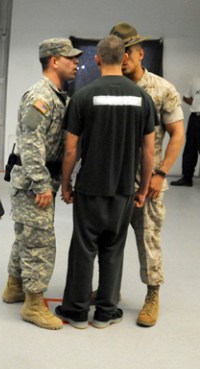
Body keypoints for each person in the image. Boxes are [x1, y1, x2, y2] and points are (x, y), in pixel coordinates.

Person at [56, 35, 156, 329]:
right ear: (125, 59)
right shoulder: (143, 98)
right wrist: (142, 189)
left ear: (97, 59)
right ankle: (105, 312)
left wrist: (66, 184)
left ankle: (75, 312)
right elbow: (148, 150)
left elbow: (71, 148)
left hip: (90, 187)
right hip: (123, 188)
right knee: (113, 248)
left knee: (84, 247)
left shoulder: (84, 97)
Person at [2, 38, 82, 330]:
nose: (76, 63)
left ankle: (14, 286)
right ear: (53, 60)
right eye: (70, 58)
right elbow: (30, 142)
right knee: (41, 242)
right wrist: (41, 185)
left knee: (26, 234)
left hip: (39, 177)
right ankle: (33, 304)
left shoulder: (58, 95)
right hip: (35, 180)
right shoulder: (41, 96)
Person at [110, 22, 185, 327]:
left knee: (148, 239)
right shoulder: (109, 87)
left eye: (128, 52)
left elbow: (177, 133)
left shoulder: (162, 89)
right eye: (118, 52)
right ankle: (107, 291)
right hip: (113, 181)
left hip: (148, 182)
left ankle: (152, 295)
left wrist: (161, 173)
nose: (124, 57)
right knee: (109, 240)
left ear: (140, 53)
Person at [171, 73, 200, 187]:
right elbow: (186, 97)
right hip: (195, 118)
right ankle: (187, 178)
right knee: (190, 148)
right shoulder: (195, 79)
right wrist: (196, 105)